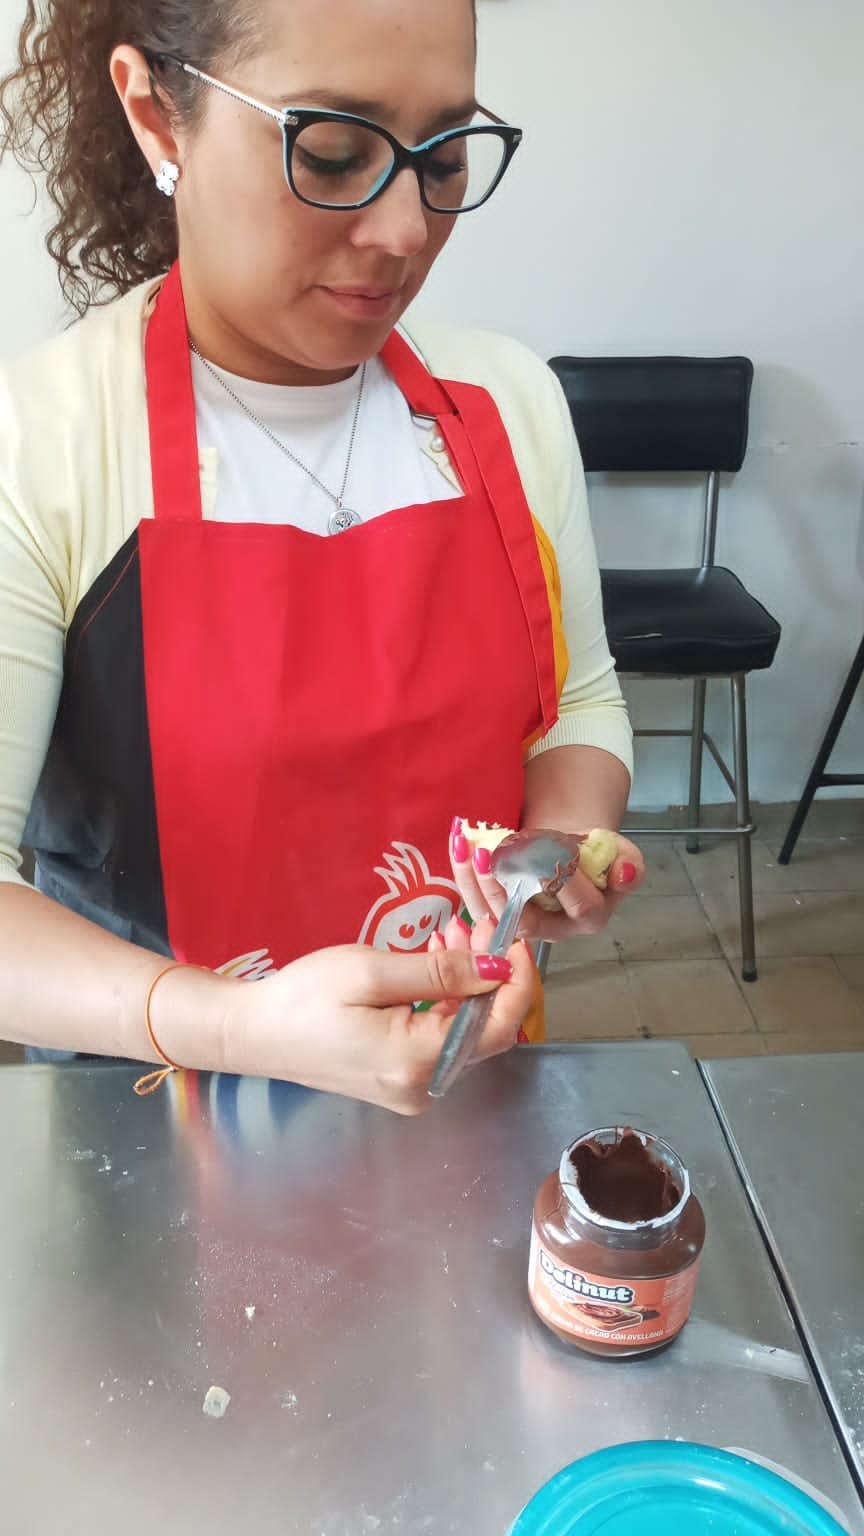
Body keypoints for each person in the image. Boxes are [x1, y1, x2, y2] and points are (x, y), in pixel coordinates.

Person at [0, 0, 641, 1113]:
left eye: (444, 157)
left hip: (464, 1082)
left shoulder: (506, 405)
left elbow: (577, 700)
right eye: (334, 153)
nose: (406, 230)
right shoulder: (43, 441)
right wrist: (227, 1023)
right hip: (154, 1127)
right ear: (156, 117)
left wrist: (557, 841)